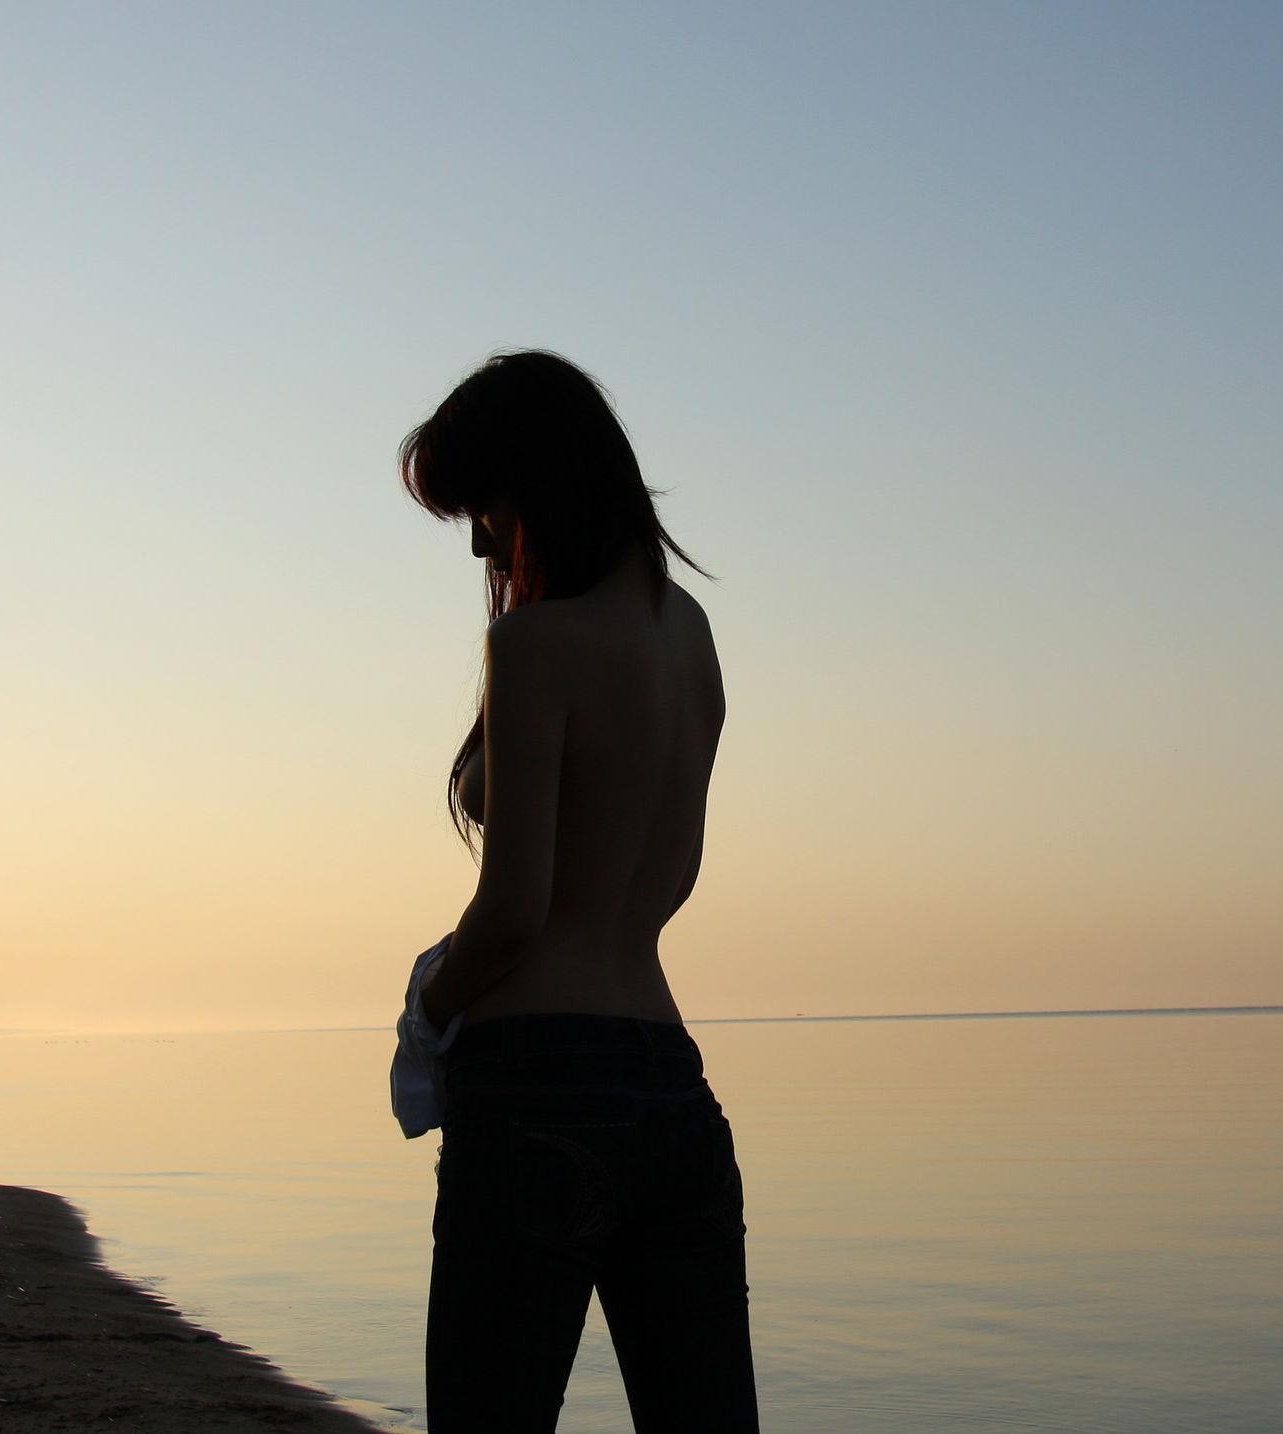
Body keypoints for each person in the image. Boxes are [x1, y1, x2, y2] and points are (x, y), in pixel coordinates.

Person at [397, 349, 758, 1431]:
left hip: (535, 1088)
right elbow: (673, 880)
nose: (480, 543)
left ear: (537, 484)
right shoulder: (692, 638)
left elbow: (516, 911)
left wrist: (430, 1006)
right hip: (672, 1087)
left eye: (484, 508)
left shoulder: (536, 644)